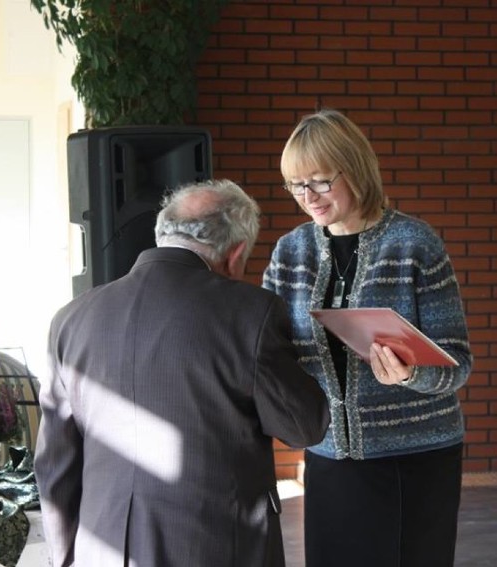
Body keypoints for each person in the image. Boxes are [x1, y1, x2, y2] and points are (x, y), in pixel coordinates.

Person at [35, 179, 331, 567]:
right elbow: (303, 427)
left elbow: (54, 466)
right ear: (236, 251)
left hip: (103, 551)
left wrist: (67, 558)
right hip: (219, 550)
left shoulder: (71, 319)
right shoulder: (251, 312)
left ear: (162, 234)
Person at [262, 109, 474, 567]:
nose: (308, 197)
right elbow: (266, 347)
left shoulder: (414, 243)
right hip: (328, 456)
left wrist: (412, 373)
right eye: (296, 185)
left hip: (415, 457)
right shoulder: (290, 252)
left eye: (319, 181)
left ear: (353, 169)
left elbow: (457, 365)